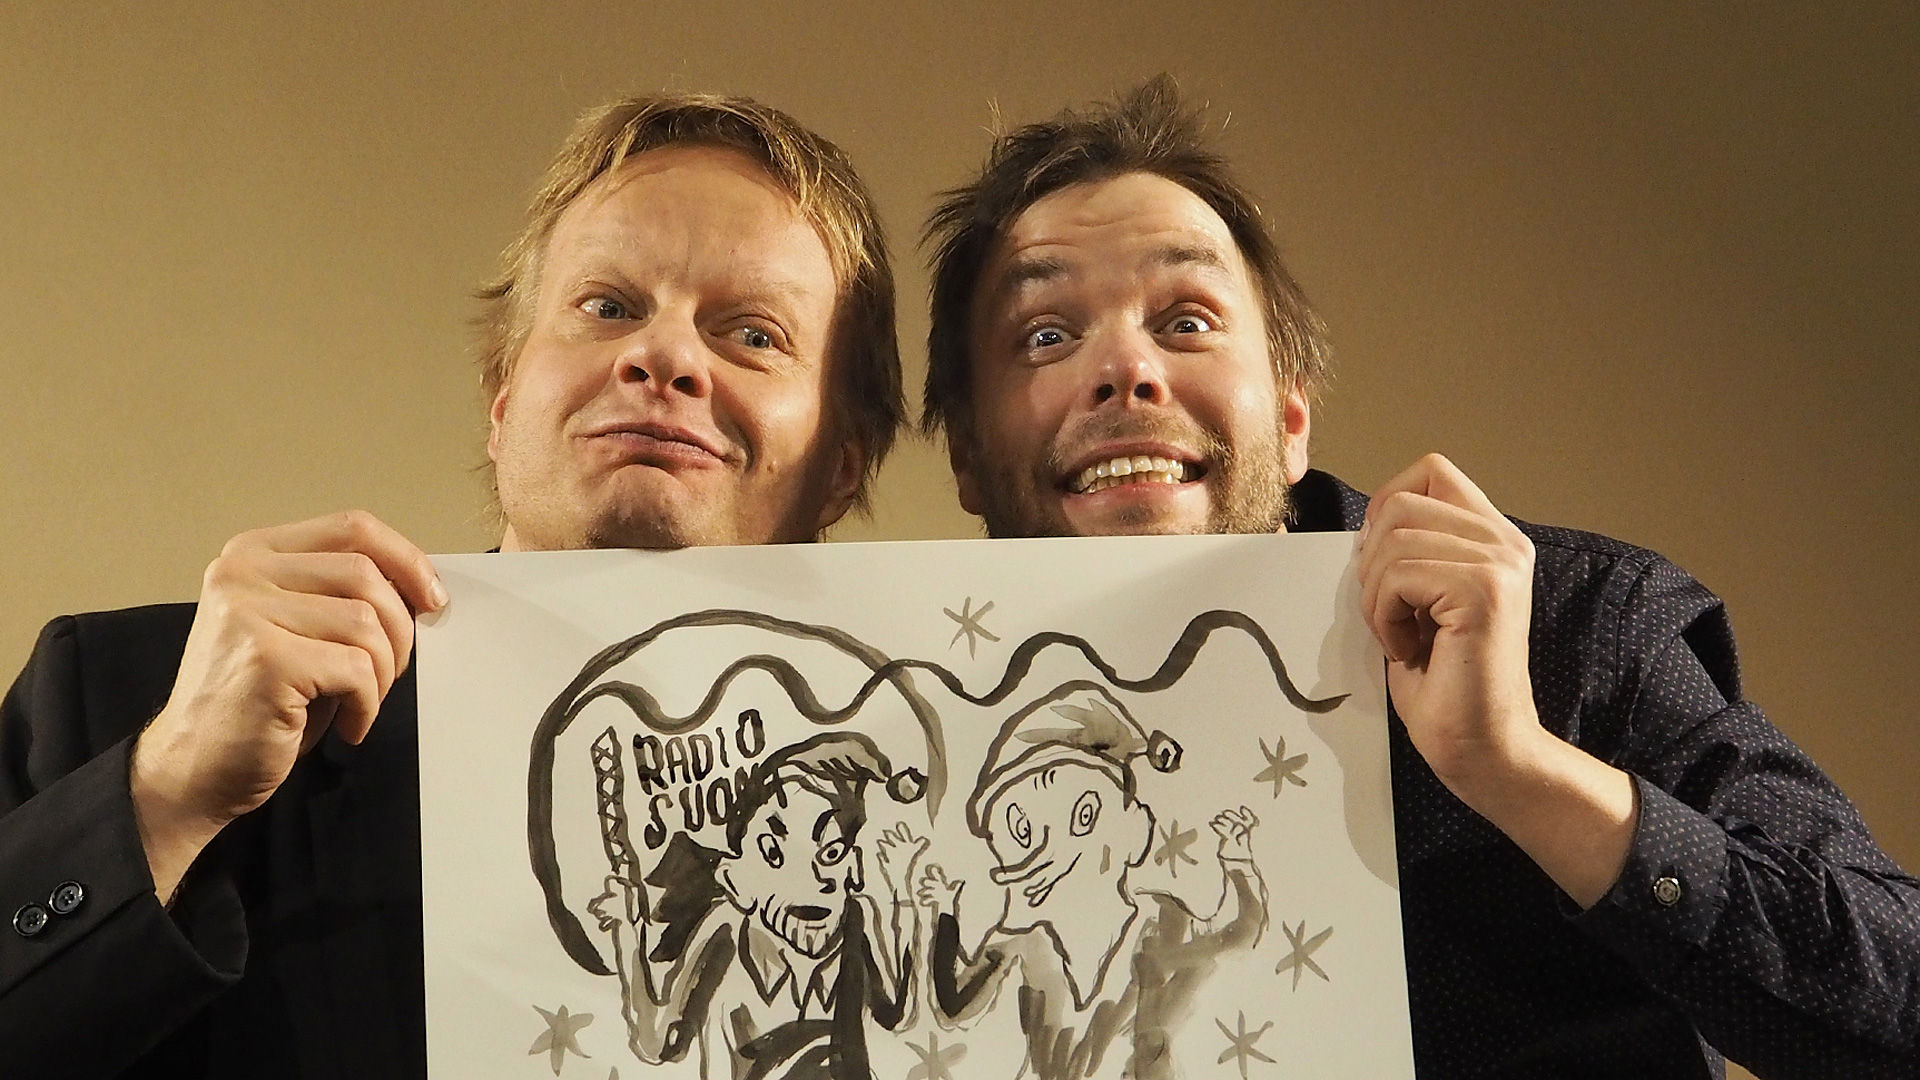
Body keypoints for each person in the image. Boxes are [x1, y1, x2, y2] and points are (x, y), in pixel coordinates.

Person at [920, 75, 1920, 1078]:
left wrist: (1519, 769)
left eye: (1186, 321)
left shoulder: (1572, 625)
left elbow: (1901, 1001)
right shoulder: (915, 760)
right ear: (964, 453)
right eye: (1046, 335)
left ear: (1292, 416)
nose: (1125, 370)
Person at [0, 90, 904, 1078]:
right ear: (502, 404)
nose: (665, 355)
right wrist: (166, 796)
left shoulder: (906, 821)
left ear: (842, 465)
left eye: (754, 334)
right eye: (608, 307)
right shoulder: (116, 698)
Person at [917, 683, 1266, 1080]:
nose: (1049, 852)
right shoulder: (1029, 941)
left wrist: (1239, 863)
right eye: (1023, 831)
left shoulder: (1161, 925)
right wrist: (946, 915)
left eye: (1083, 816)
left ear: (1132, 823)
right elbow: (953, 1005)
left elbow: (1239, 937)